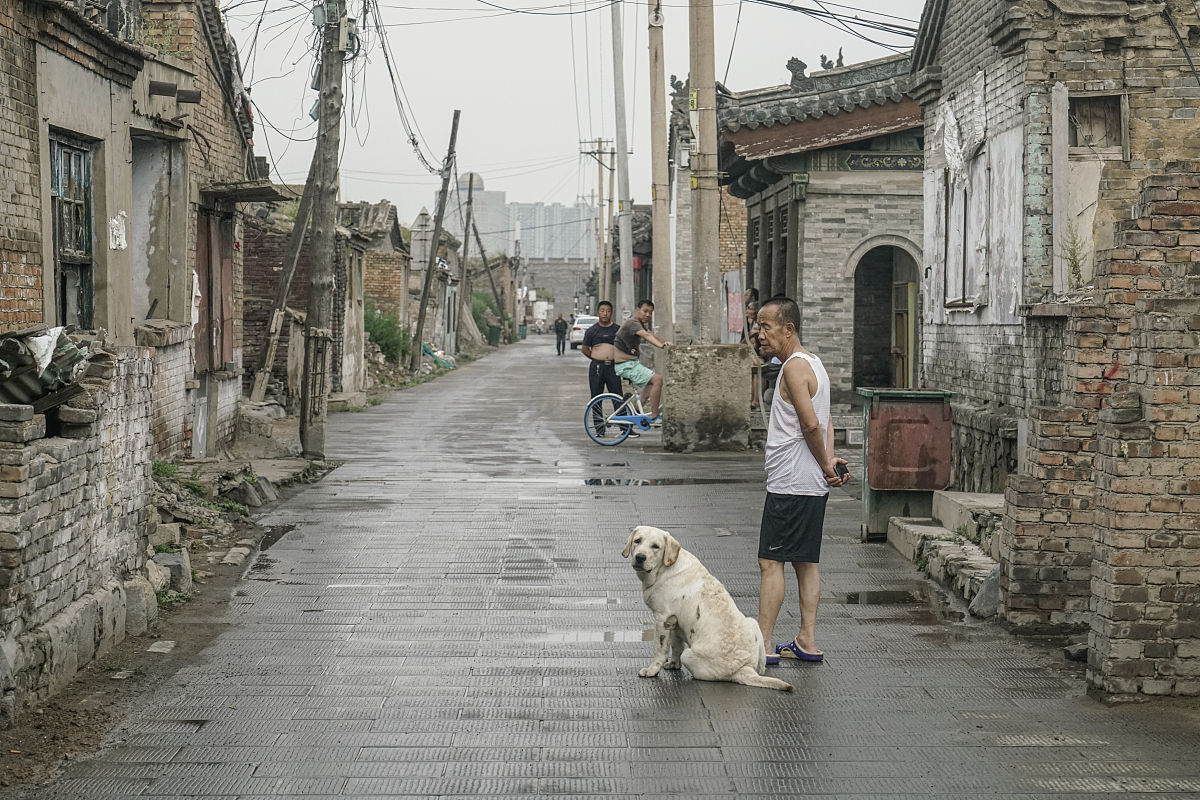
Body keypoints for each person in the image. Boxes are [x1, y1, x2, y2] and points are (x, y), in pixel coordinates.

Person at [753, 296, 849, 667]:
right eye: (759, 325)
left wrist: (826, 462)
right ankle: (807, 639)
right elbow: (824, 421)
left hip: (791, 482)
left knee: (770, 562)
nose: (760, 333)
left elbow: (811, 423)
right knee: (806, 563)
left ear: (788, 328)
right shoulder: (815, 364)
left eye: (766, 326)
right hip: (809, 482)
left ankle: (763, 644)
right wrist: (829, 460)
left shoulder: (793, 367)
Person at [612, 299, 672, 421]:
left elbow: (651, 334)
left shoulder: (639, 323)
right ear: (637, 310)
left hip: (630, 363)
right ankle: (654, 415)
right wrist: (661, 346)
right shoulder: (633, 323)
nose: (648, 315)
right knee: (657, 380)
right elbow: (646, 336)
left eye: (650, 313)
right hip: (626, 365)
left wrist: (665, 343)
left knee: (651, 382)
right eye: (645, 311)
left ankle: (638, 411)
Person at [581, 301, 622, 398]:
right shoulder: (591, 331)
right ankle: (597, 414)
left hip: (613, 367)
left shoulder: (618, 329)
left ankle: (620, 414)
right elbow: (584, 349)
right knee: (596, 396)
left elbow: (623, 346)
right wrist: (597, 357)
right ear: (598, 313)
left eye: (608, 311)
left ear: (611, 313)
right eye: (602, 311)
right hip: (597, 368)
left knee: (618, 397)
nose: (605, 313)